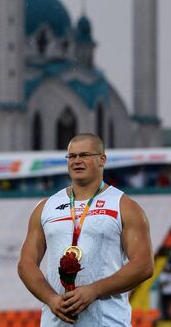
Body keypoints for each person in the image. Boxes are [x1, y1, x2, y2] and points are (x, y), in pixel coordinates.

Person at [18, 133, 154, 326]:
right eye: (71, 156)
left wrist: (95, 290)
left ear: (102, 160)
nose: (77, 161)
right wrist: (51, 299)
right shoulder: (46, 207)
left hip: (108, 322)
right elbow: (26, 264)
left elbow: (144, 265)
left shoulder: (124, 206)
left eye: (84, 155)